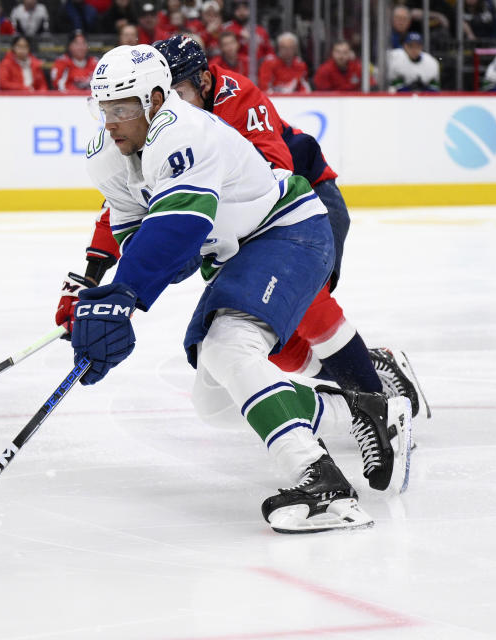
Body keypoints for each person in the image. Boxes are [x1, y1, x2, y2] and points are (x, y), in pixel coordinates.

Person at [72, 43, 413, 533]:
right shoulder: (108, 155)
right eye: (102, 109)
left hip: (288, 230)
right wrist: (112, 302)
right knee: (214, 402)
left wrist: (126, 294)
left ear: (153, 98)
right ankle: (367, 409)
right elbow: (141, 235)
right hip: (238, 250)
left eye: (122, 108)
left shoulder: (182, 129)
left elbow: (178, 226)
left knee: (230, 345)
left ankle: (325, 488)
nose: (110, 122)